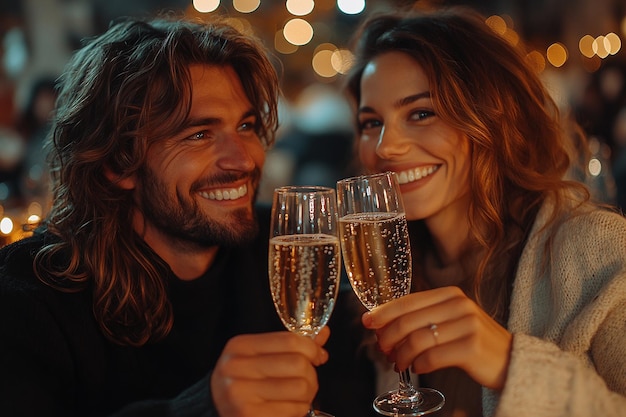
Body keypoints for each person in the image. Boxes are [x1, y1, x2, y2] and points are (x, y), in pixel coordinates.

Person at [0, 14, 374, 417]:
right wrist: (202, 409)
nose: (243, 159)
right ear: (117, 164)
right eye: (199, 134)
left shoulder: (287, 245)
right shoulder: (31, 299)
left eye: (246, 125)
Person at [342, 6, 626, 417]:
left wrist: (511, 365)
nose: (386, 147)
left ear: (491, 118)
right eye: (371, 123)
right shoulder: (383, 271)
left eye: (421, 113)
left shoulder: (596, 248)